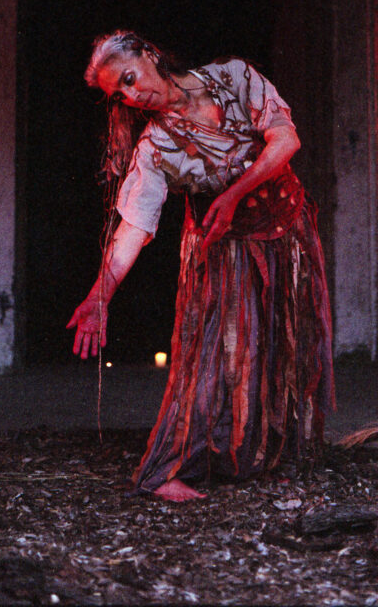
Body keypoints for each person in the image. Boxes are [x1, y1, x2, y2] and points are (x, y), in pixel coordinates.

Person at [67, 31, 334, 502]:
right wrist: (99, 296)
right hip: (224, 251)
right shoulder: (156, 147)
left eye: (128, 78)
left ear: (148, 54)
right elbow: (134, 227)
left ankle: (274, 458)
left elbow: (285, 140)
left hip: (287, 231)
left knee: (288, 348)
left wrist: (233, 195)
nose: (132, 95)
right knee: (215, 358)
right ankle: (163, 471)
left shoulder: (232, 78)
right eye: (120, 94)